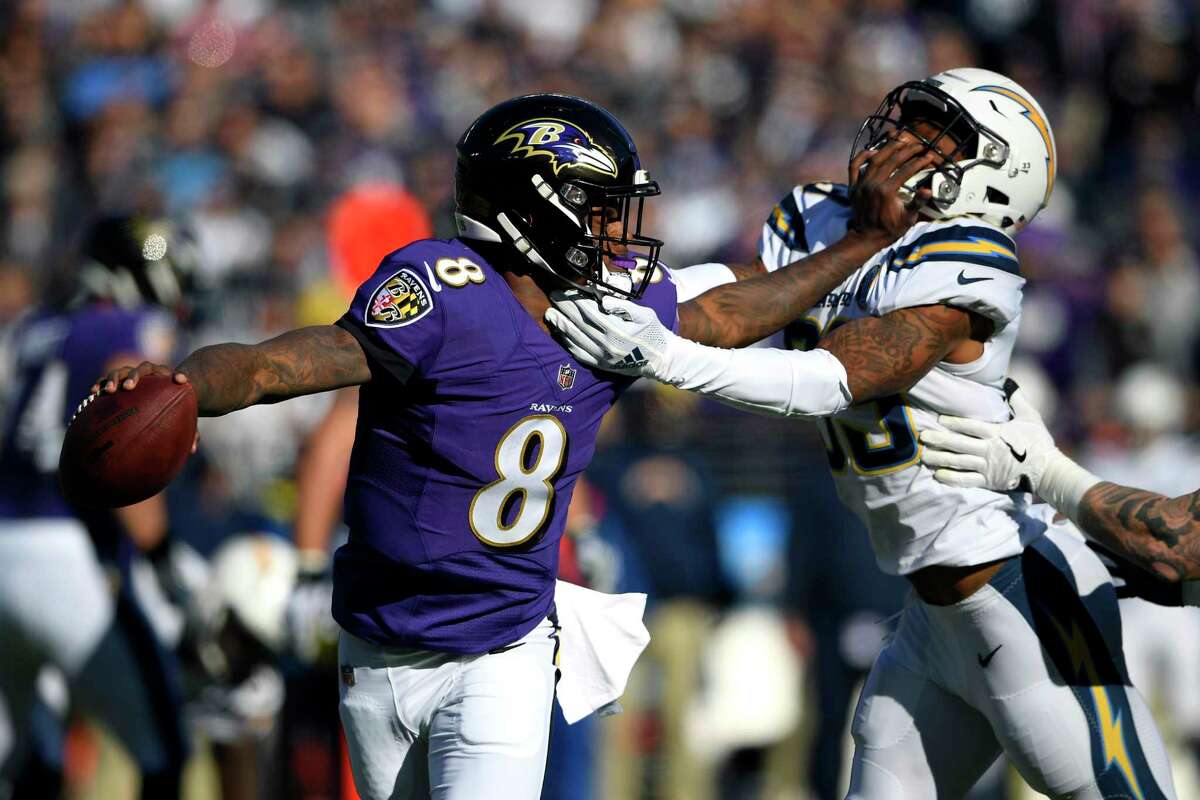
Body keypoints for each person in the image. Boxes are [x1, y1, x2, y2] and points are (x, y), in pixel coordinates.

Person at [92, 93, 926, 800]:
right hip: (380, 649)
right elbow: (282, 362)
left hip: (504, 649)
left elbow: (736, 311)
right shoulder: (442, 291)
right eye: (599, 209)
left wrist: (859, 244)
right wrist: (188, 387)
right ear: (533, 211)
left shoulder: (609, 313)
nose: (618, 232)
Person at [547, 68, 1177, 798]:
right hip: (929, 616)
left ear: (995, 176)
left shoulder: (968, 259)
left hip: (1024, 599)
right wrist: (616, 300)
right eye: (904, 119)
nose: (898, 141)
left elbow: (833, 378)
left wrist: (664, 356)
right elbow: (736, 304)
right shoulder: (830, 221)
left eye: (931, 133)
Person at [0, 215, 195, 799]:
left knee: (26, 761)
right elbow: (126, 422)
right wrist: (160, 555)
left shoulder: (36, 328)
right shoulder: (132, 324)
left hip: (3, 540)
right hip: (67, 554)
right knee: (163, 750)